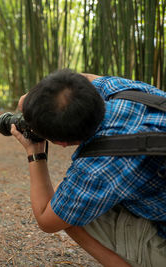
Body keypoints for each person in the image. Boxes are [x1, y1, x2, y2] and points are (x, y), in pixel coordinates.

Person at [12, 69, 166, 266]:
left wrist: (35, 151)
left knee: (67, 214)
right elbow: (84, 78)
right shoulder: (128, 90)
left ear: (61, 143)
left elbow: (46, 218)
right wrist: (39, 95)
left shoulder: (97, 169)